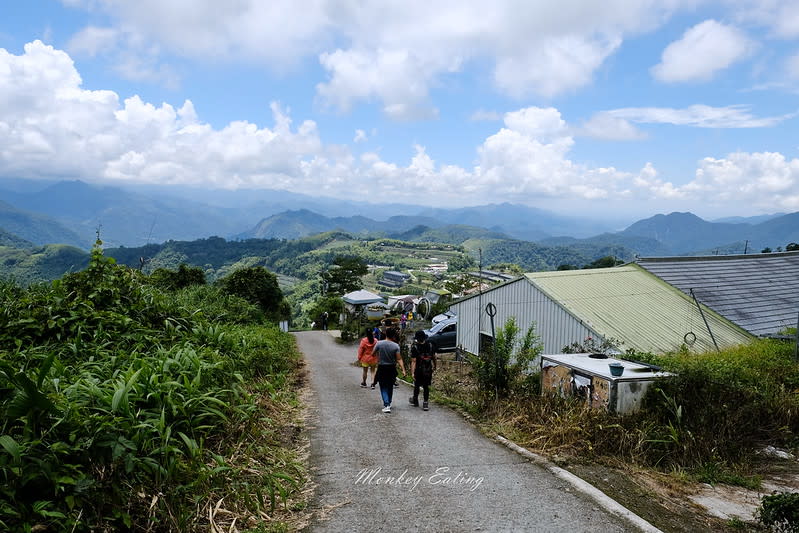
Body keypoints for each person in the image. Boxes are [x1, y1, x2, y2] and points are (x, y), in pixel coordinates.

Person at [371, 327, 406, 413]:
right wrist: (403, 370)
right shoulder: (396, 346)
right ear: (393, 335)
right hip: (391, 368)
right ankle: (389, 402)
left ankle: (386, 404)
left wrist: (378, 356)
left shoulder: (379, 343)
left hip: (382, 367)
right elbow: (399, 359)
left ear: (386, 334)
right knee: (390, 386)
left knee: (383, 386)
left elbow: (373, 353)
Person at [409, 330, 436, 411]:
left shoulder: (415, 347)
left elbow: (413, 361)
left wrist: (412, 372)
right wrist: (435, 366)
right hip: (428, 370)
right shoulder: (430, 345)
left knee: (417, 385)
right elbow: (434, 357)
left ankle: (415, 400)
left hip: (419, 370)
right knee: (426, 386)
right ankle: (425, 403)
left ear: (417, 339)